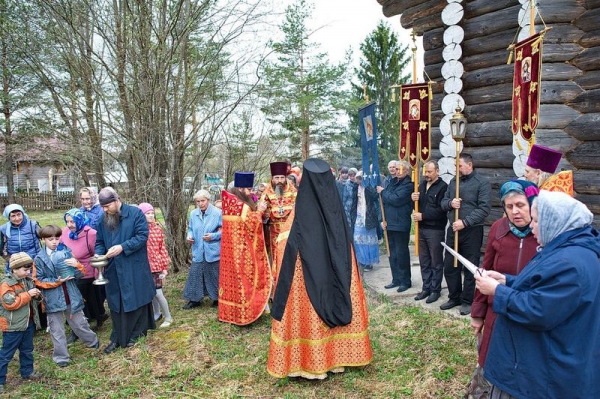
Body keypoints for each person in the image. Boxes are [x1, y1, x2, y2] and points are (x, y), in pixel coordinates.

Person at [475, 191, 600, 398]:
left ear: (555, 221)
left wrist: (497, 291)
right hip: (542, 364)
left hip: (545, 373)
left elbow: (539, 309)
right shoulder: (566, 251)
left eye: (537, 220)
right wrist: (507, 281)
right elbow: (546, 287)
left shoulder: (569, 263)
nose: (531, 225)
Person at [268, 158, 372, 379]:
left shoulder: (302, 206)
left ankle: (311, 363)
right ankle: (337, 359)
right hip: (336, 271)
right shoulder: (335, 205)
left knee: (308, 312)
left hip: (305, 276)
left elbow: (285, 241)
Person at [465, 180, 539, 398]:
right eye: (509, 207)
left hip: (527, 310)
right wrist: (477, 313)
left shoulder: (542, 232)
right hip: (496, 310)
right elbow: (485, 271)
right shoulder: (499, 228)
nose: (515, 212)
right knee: (489, 359)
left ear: (532, 204)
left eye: (520, 205)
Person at [94, 187, 156, 354]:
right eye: (103, 207)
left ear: (116, 200)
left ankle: (136, 334)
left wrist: (123, 247)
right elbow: (99, 240)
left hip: (133, 265)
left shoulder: (135, 214)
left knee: (136, 298)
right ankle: (118, 337)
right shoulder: (103, 219)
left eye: (107, 206)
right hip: (113, 267)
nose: (104, 210)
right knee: (117, 301)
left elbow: (142, 236)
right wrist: (99, 255)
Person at [34, 225, 99, 367]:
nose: (54, 242)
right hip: (52, 299)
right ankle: (61, 357)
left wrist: (77, 265)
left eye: (57, 238)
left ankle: (92, 341)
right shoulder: (39, 258)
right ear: (43, 239)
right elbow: (38, 280)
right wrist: (55, 282)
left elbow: (79, 274)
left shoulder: (66, 252)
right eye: (50, 239)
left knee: (79, 323)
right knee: (57, 330)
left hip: (71, 295)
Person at [440, 153, 491, 315]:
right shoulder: (453, 182)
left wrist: (465, 222)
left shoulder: (482, 183)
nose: (457, 169)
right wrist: (450, 203)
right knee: (450, 265)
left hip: (471, 230)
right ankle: (454, 297)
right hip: (453, 229)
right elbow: (443, 203)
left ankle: (467, 300)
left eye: (459, 166)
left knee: (470, 266)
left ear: (470, 165)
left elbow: (484, 209)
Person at [219, 172, 271, 325]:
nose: (251, 192)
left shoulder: (229, 203)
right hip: (243, 251)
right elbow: (253, 224)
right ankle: (244, 314)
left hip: (229, 251)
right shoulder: (242, 206)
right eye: (248, 189)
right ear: (240, 188)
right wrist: (260, 210)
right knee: (245, 281)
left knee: (232, 282)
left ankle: (229, 314)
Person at [61, 208, 107, 345]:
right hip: (70, 272)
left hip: (86, 272)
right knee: (77, 301)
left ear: (80, 220)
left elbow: (97, 254)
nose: (70, 224)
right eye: (67, 221)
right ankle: (81, 327)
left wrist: (97, 274)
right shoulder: (65, 232)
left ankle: (91, 322)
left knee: (86, 300)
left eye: (73, 221)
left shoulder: (91, 234)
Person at [0, 253, 43, 394]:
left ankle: (27, 372)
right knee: (6, 354)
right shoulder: (6, 284)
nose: (28, 272)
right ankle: (0, 380)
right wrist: (28, 295)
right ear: (14, 269)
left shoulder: (27, 280)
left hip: (27, 324)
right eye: (25, 269)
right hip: (12, 327)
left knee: (27, 350)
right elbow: (10, 303)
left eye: (29, 269)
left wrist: (36, 295)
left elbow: (32, 302)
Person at [411, 160, 448, 303]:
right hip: (421, 228)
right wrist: (413, 199)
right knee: (424, 260)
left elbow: (442, 210)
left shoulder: (443, 187)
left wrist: (423, 216)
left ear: (437, 171)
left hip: (435, 230)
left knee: (436, 261)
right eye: (425, 171)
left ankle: (435, 290)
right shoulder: (420, 185)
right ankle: (426, 288)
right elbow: (417, 206)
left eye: (429, 171)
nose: (426, 174)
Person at [259, 161, 297, 289]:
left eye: (282, 177)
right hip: (274, 232)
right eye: (277, 178)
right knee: (276, 257)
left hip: (290, 232)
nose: (279, 180)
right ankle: (275, 289)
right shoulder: (266, 193)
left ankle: (291, 287)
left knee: (290, 257)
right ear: (272, 178)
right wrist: (264, 212)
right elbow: (262, 215)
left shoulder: (293, 192)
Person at [376, 160, 413, 292]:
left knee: (401, 253)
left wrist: (383, 192)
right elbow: (384, 203)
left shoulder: (409, 185)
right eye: (395, 169)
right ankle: (395, 279)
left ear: (406, 170)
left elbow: (395, 199)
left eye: (398, 169)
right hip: (389, 223)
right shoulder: (392, 182)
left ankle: (405, 281)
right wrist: (382, 220)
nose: (396, 171)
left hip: (401, 224)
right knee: (392, 253)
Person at [182, 190, 222, 309]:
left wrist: (213, 236)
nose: (200, 203)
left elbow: (224, 230)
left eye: (203, 201)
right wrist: (189, 236)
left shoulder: (218, 213)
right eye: (198, 201)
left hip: (213, 249)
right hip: (198, 249)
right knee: (195, 273)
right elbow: (190, 228)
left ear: (208, 200)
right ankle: (194, 300)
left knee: (214, 275)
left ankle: (217, 299)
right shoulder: (194, 213)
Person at [138, 203, 172, 328]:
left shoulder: (157, 229)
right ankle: (157, 313)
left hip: (156, 266)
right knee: (150, 292)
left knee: (158, 293)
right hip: (144, 266)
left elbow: (162, 248)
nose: (151, 215)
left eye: (152, 213)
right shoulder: (139, 230)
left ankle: (168, 316)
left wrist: (164, 267)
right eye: (148, 213)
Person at [1, 204, 41, 274]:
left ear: (23, 214)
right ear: (9, 217)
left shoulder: (33, 225)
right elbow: (2, 249)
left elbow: (46, 237)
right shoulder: (3, 229)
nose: (17, 218)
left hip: (33, 262)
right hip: (15, 264)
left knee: (33, 282)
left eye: (19, 214)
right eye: (13, 216)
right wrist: (11, 260)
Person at [352, 171, 379, 272]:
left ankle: (369, 262)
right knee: (358, 238)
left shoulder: (369, 187)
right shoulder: (355, 187)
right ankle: (361, 260)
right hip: (358, 216)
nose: (358, 180)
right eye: (357, 178)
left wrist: (367, 186)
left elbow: (375, 196)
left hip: (369, 216)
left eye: (360, 178)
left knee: (369, 240)